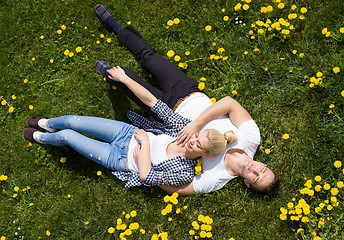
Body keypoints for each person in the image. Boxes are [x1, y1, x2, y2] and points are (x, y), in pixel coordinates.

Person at [93, 4, 280, 195]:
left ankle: (110, 72)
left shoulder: (217, 177)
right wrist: (196, 124)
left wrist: (147, 166)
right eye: (263, 169)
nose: (255, 170)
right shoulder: (250, 139)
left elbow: (180, 189)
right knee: (150, 58)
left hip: (165, 115)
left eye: (256, 177)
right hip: (187, 91)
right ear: (263, 163)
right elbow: (229, 103)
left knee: (128, 81)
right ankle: (114, 26)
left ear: (248, 184)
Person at [23, 66, 235, 188]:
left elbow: (146, 177)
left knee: (68, 137)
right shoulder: (185, 128)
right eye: (198, 136)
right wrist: (124, 79)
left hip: (119, 159)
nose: (192, 140)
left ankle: (42, 138)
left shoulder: (184, 173)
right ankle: (46, 124)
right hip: (125, 133)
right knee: (72, 121)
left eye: (198, 145)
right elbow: (155, 104)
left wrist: (144, 145)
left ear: (205, 155)